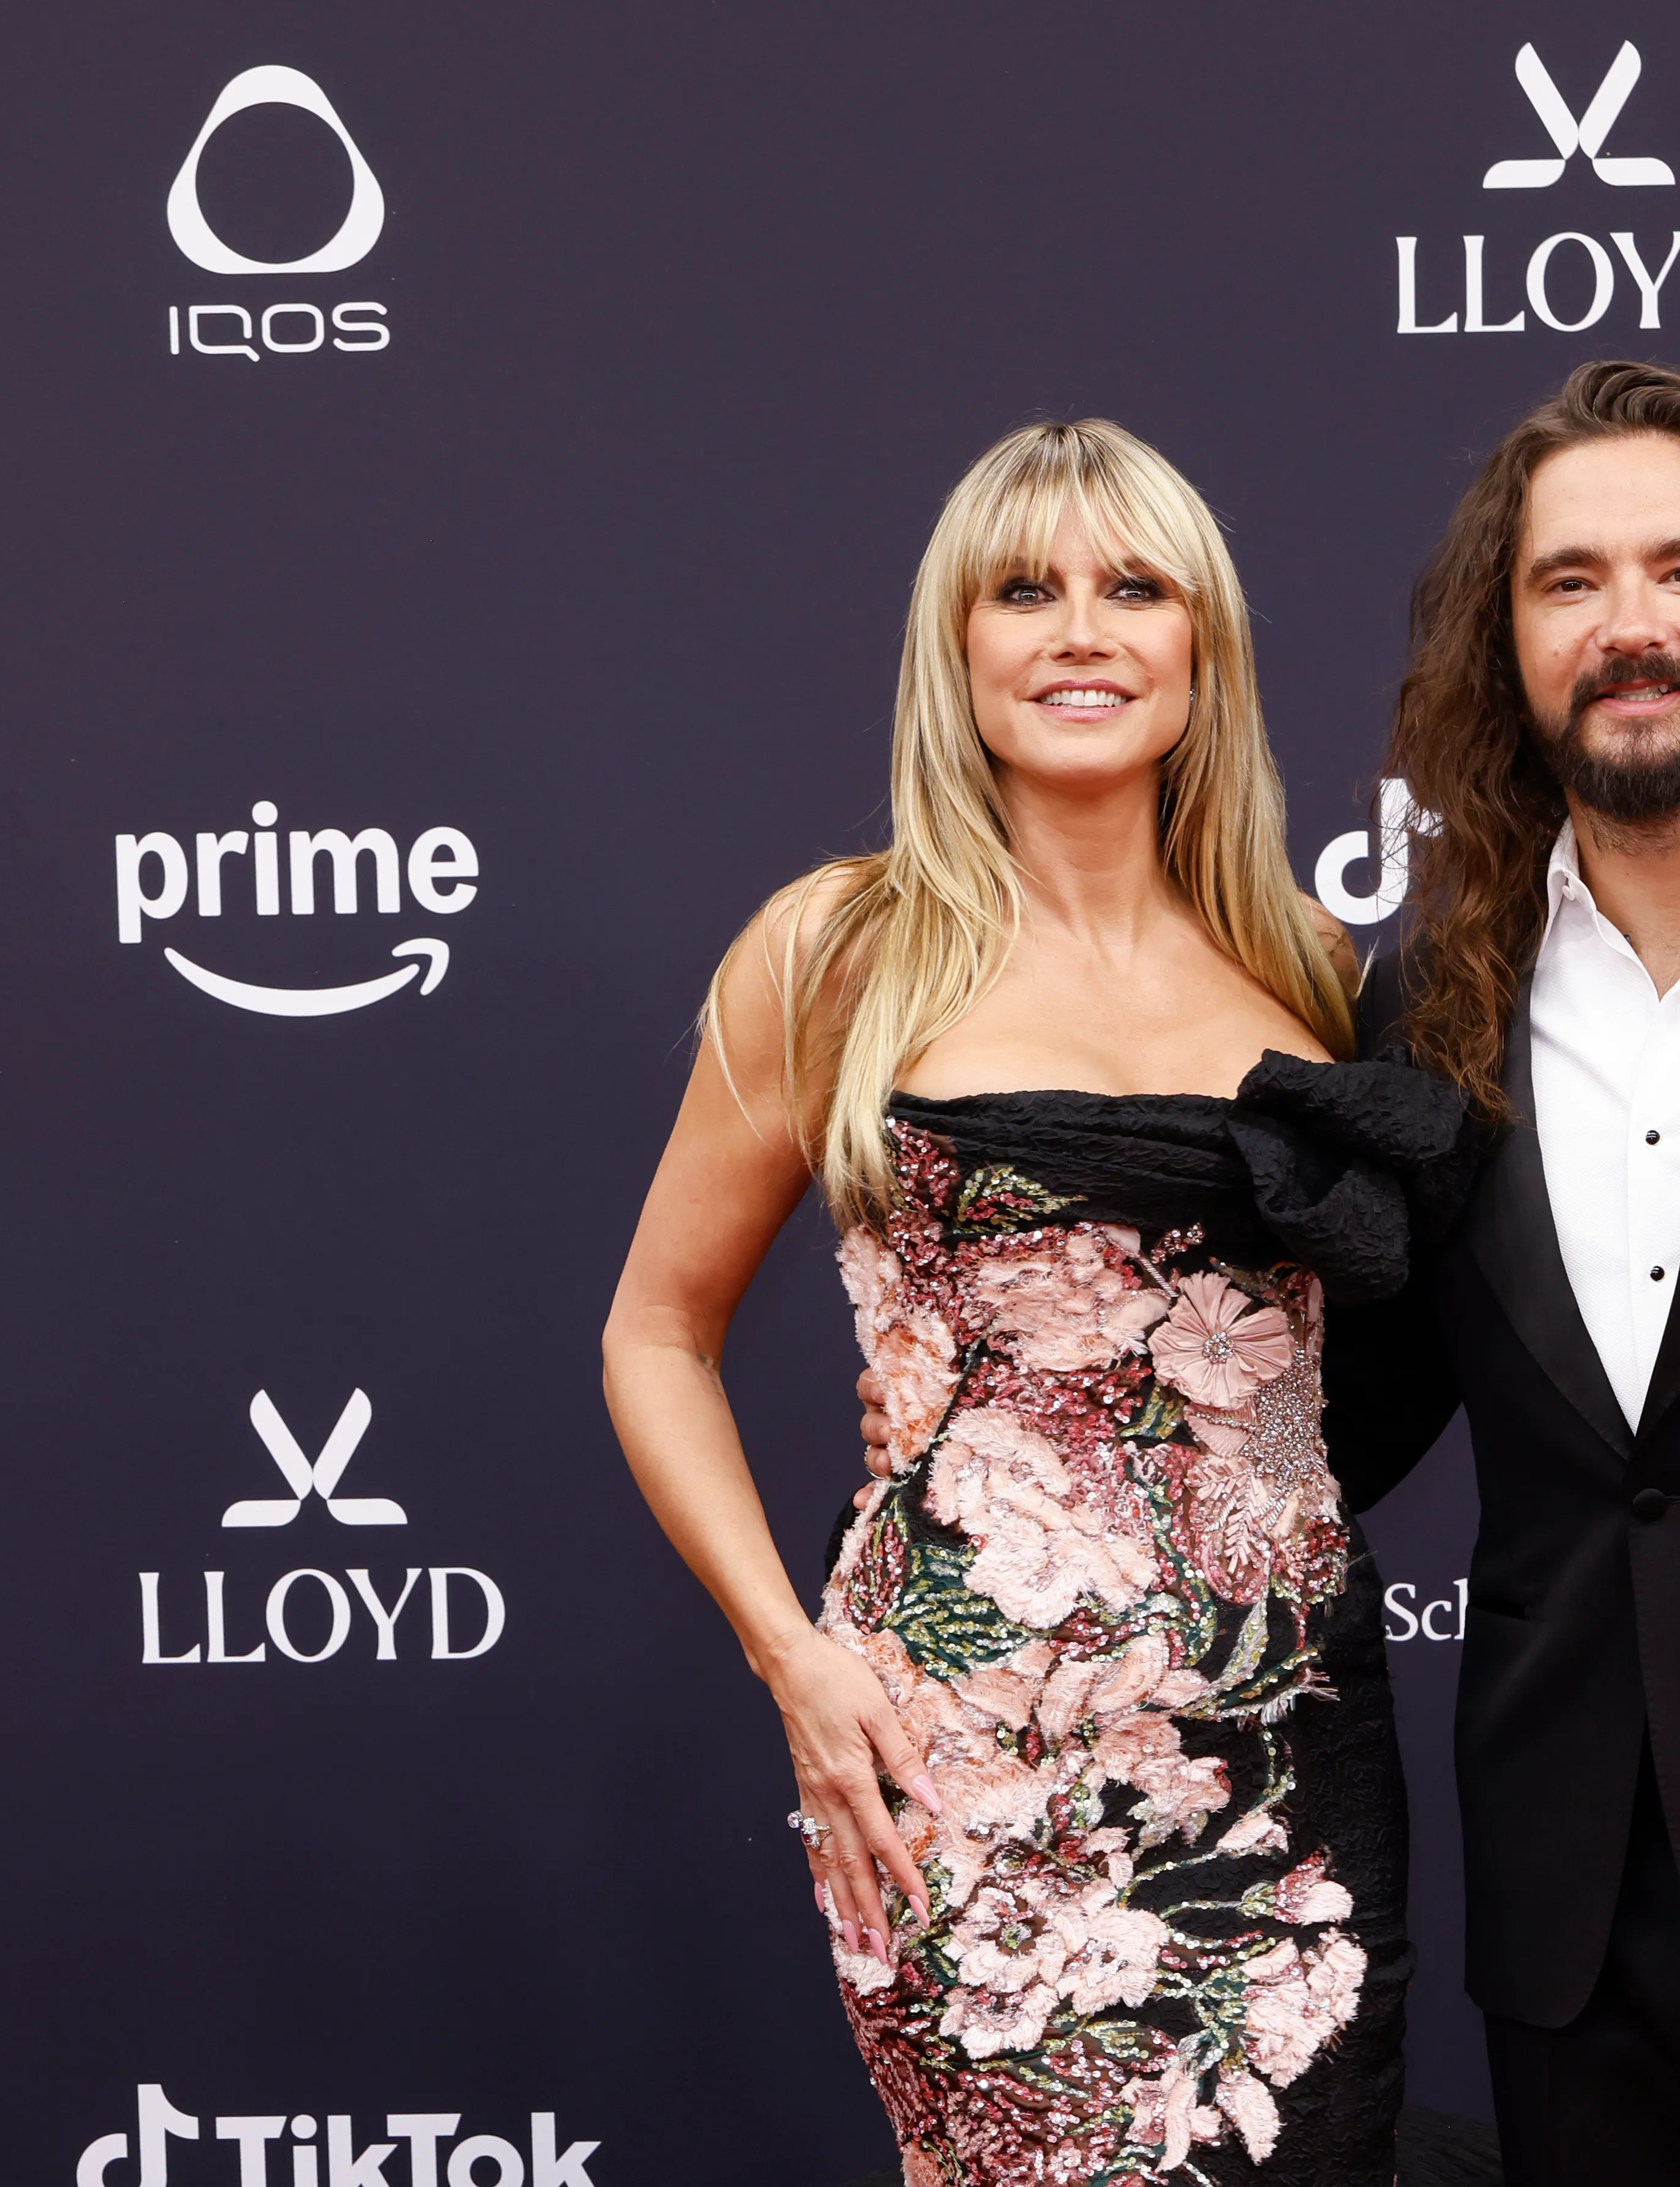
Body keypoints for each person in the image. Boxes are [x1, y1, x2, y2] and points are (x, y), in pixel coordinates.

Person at [858, 362, 1680, 2184]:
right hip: (1566, 1925)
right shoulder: (1430, 1005)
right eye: (1569, 584)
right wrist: (1032, 1401)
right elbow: (1337, 1407)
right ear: (1510, 641)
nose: (1628, 627)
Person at [603, 418, 1469, 2186]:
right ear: (960, 648)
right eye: (1026, 590)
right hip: (967, 1749)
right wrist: (794, 1658)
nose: (1082, 631)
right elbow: (655, 1336)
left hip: (1279, 1741)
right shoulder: (837, 952)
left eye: (1133, 587)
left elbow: (1380, 1352)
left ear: (1201, 646)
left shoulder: (1311, 965)